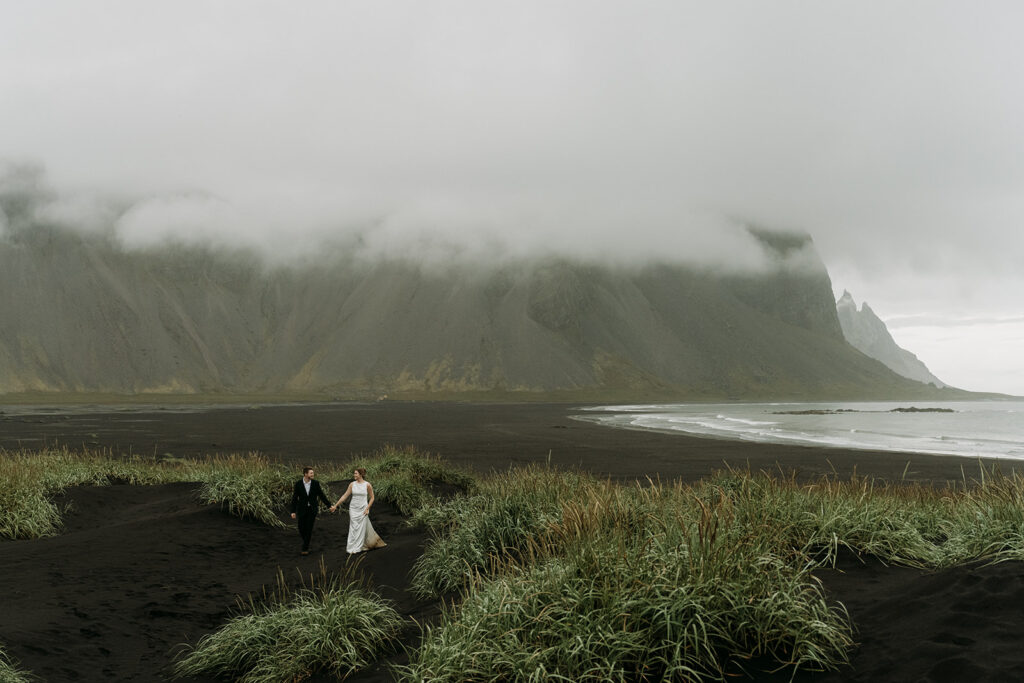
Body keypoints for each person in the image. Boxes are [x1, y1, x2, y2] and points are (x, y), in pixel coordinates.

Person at [330, 467, 386, 554]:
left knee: (361, 528)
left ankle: (358, 548)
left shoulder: (367, 485)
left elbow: (372, 498)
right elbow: (345, 496)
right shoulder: (352, 484)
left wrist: (367, 508)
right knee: (353, 528)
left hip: (363, 509)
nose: (354, 475)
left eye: (356, 473)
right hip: (353, 509)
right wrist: (335, 506)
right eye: (354, 473)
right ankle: (351, 547)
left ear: (361, 474)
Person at [289, 466, 331, 556]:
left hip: (312, 509)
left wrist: (329, 505)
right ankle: (306, 541)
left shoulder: (316, 483)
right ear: (305, 474)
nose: (313, 474)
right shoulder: (298, 484)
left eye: (313, 473)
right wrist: (293, 511)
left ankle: (305, 548)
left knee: (309, 528)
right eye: (311, 473)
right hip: (302, 509)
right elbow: (295, 498)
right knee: (301, 527)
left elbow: (321, 495)